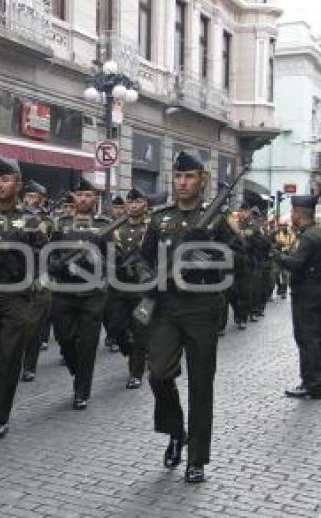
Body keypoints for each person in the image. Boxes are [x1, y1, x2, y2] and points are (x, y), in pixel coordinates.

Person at [136, 150, 242, 483]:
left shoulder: (217, 220)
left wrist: (209, 249)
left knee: (200, 385)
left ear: (202, 180)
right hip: (166, 307)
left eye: (190, 177)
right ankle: (175, 431)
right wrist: (149, 282)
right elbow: (140, 260)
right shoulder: (160, 219)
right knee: (158, 374)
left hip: (202, 308)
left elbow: (240, 260)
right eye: (178, 176)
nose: (182, 183)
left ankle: (196, 458)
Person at [0, 157, 47, 439]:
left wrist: (36, 283)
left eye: (6, 180)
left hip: (16, 296)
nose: (0, 185)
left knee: (9, 357)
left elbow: (43, 256)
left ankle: (0, 417)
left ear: (17, 184)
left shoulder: (31, 220)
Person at [48, 178, 111, 410]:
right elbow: (48, 251)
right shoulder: (61, 224)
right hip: (64, 290)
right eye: (80, 195)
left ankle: (82, 390)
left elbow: (113, 259)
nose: (83, 199)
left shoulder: (105, 225)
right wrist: (53, 266)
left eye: (88, 195)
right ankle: (78, 371)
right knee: (65, 339)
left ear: (95, 199)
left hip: (92, 293)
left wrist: (93, 261)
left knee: (88, 344)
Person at [275, 195, 321, 400]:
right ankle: (320, 383)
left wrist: (276, 255)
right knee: (318, 339)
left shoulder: (308, 237)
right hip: (320, 288)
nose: (292, 215)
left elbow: (296, 264)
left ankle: (312, 384)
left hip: (307, 293)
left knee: (307, 339)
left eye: (293, 212)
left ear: (299, 214)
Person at [104, 188, 150, 390]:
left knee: (141, 330)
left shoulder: (151, 228)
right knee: (114, 327)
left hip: (144, 289)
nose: (133, 206)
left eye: (137, 202)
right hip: (119, 287)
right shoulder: (116, 229)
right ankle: (131, 351)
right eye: (130, 202)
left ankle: (136, 372)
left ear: (145, 205)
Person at [20, 180, 53, 383]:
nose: (27, 200)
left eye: (32, 197)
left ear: (41, 200)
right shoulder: (15, 217)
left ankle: (29, 366)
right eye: (26, 196)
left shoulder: (46, 221)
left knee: (32, 326)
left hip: (37, 276)